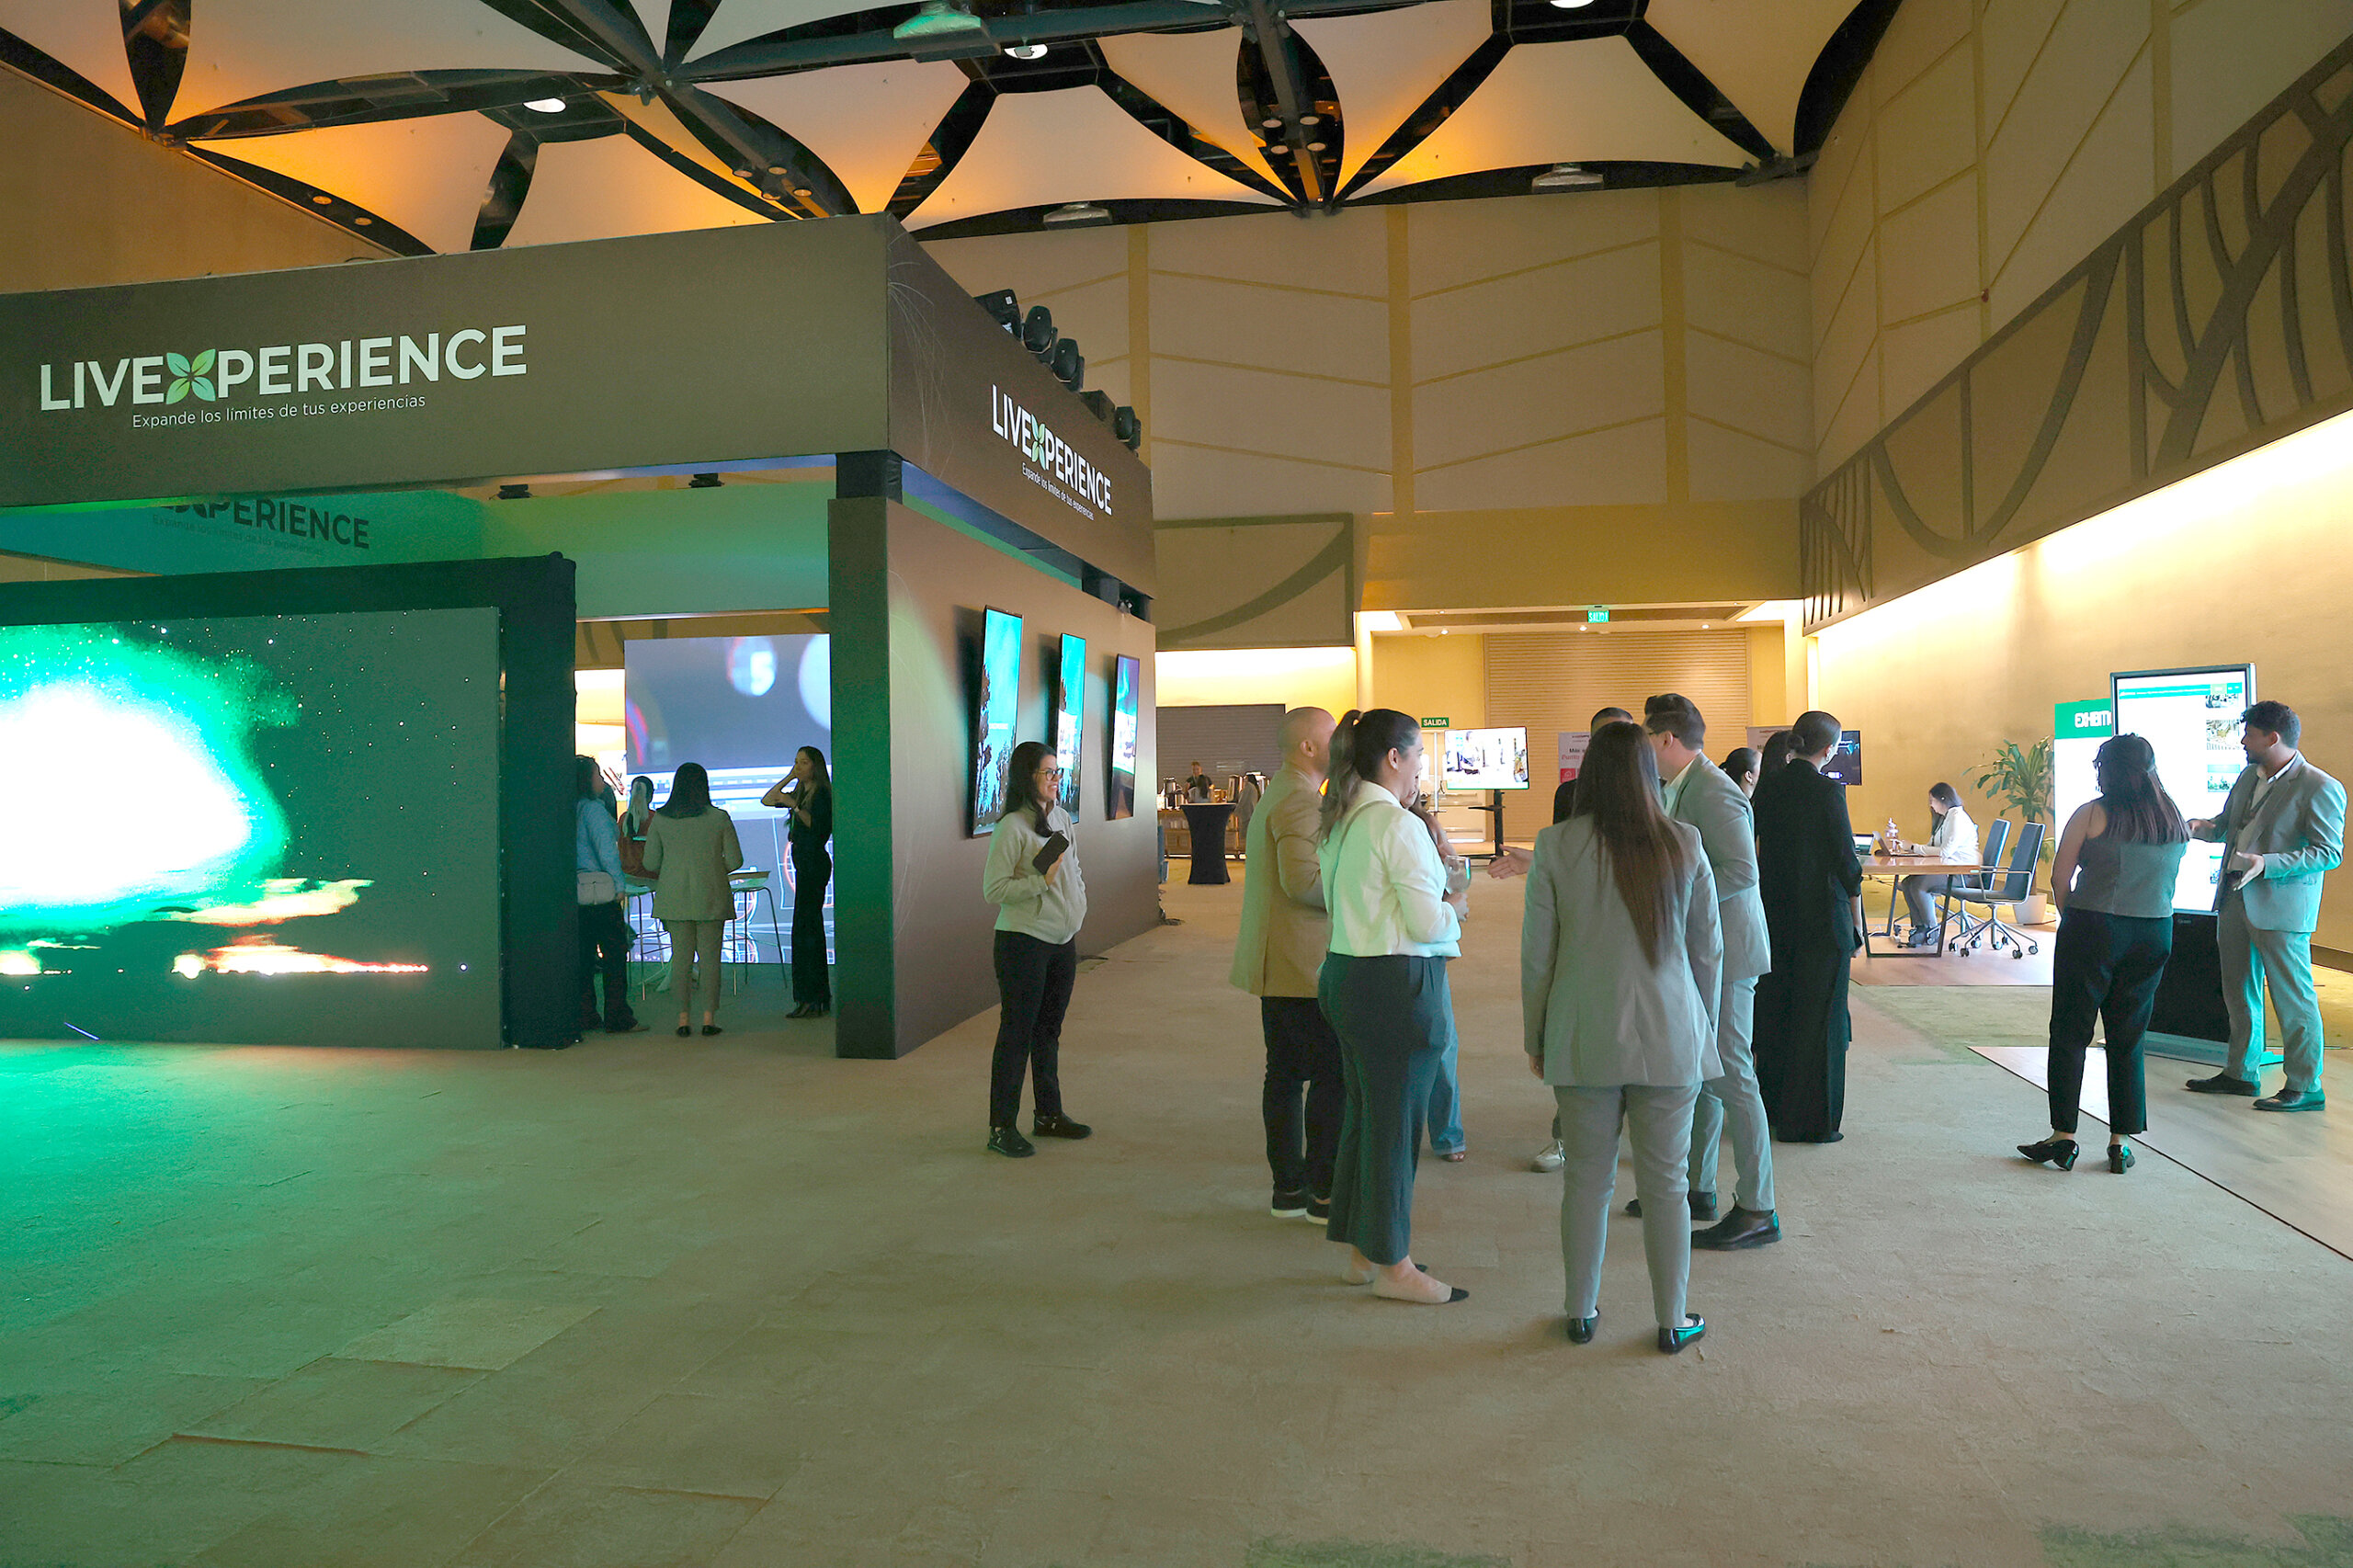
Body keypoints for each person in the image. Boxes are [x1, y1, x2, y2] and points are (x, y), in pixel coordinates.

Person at [1523, 721, 1720, 1353]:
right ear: (1648, 773)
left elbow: (1538, 957)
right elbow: (1707, 951)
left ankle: (1580, 1311)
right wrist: (1706, 1027)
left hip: (1584, 1032)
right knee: (1667, 1185)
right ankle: (1672, 1318)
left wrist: (1537, 1035)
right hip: (1672, 1033)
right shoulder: (1683, 841)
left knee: (1586, 1179)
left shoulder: (1555, 845)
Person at [1317, 709, 1469, 1304]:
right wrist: (1456, 907)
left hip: (1347, 974)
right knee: (1395, 1128)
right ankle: (1394, 1266)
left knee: (1367, 1118)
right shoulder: (1396, 825)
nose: (1422, 767)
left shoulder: (1342, 819)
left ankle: (1365, 1250)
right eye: (1420, 755)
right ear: (1394, 758)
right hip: (1393, 986)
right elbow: (1427, 921)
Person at [1635, 698, 1779, 1250]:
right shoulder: (1681, 785)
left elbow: (1741, 871)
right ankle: (1698, 1189)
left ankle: (1759, 1207)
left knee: (1732, 1072)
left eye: (1647, 738)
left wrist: (1677, 903)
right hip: (1705, 949)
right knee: (1703, 1068)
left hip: (1730, 951)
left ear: (1666, 739)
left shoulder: (1715, 790)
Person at [2018, 734, 2191, 1174]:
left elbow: (2059, 878)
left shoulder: (2093, 813)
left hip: (2094, 927)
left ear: (2105, 770)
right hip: (2155, 931)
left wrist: (2075, 917)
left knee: (2071, 1031)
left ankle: (2064, 1136)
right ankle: (2120, 1142)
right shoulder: (2171, 815)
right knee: (2128, 1036)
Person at [1492, 704, 1636, 1175]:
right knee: (1582, 1067)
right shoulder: (1571, 795)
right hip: (1586, 950)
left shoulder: (1657, 800)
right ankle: (1566, 1138)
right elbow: (1568, 865)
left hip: (1640, 957)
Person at [2184, 700, 2345, 1111]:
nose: (2242, 741)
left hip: (2282, 906)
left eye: (2249, 735)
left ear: (2273, 738)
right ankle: (2240, 1073)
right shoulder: (2247, 777)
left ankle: (2306, 1085)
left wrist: (2267, 864)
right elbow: (2227, 827)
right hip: (2235, 897)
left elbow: (2328, 852)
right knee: (2238, 991)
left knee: (2293, 998)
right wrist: (2198, 828)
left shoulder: (2319, 786)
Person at [1231, 708, 1342, 1219]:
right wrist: (1363, 889)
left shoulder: (1285, 792)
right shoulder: (1299, 801)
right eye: (1332, 734)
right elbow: (1304, 885)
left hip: (1282, 962)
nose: (1341, 742)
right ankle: (1321, 1192)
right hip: (1300, 967)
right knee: (1328, 1079)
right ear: (1308, 747)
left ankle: (1290, 1190)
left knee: (1284, 1077)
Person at [1752, 710, 1863, 1143]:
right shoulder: (1828, 791)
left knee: (1777, 1011)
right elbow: (1845, 861)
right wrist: (1856, 918)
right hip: (1821, 918)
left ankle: (1773, 1108)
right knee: (1821, 1020)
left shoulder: (1768, 787)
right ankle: (1813, 1121)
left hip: (1775, 915)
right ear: (1829, 750)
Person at [982, 741, 1094, 1157]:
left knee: (1049, 1032)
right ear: (1028, 778)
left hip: (1062, 941)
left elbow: (1073, 868)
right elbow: (994, 889)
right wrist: (1038, 884)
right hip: (1023, 942)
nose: (1055, 779)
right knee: (1016, 1035)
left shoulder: (1061, 817)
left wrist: (1078, 904)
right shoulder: (1011, 827)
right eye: (1048, 772)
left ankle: (1049, 1115)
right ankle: (1001, 1127)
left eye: (1058, 772)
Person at [641, 762, 745, 1038]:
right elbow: (736, 860)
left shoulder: (661, 819)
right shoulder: (719, 818)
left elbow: (650, 863)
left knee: (681, 960)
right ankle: (709, 1018)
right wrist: (713, 869)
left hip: (673, 897)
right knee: (710, 961)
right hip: (711, 895)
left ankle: (682, 1019)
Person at [763, 747, 835, 1020]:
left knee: (807, 930)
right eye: (796, 762)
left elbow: (816, 826)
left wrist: (794, 805)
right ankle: (813, 996)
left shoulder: (823, 794)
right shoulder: (800, 790)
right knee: (805, 929)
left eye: (803, 763)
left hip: (814, 863)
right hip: (803, 862)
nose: (799, 767)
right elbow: (767, 799)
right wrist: (788, 778)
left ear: (815, 766)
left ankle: (811, 997)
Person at [575, 756, 642, 1036]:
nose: (602, 782)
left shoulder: (570, 809)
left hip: (578, 893)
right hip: (601, 894)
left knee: (583, 959)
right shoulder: (593, 810)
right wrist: (618, 885)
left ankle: (585, 1015)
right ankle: (618, 1016)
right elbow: (607, 851)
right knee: (614, 956)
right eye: (598, 776)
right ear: (587, 780)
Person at [1892, 783, 1980, 947]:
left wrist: (1914, 847)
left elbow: (1945, 851)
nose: (1931, 805)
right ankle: (1920, 927)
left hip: (1962, 873)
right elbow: (1934, 847)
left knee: (1918, 886)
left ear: (1943, 799)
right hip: (1949, 868)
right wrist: (1913, 850)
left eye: (1932, 801)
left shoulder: (1957, 818)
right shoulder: (1946, 819)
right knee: (1908, 883)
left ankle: (1932, 929)